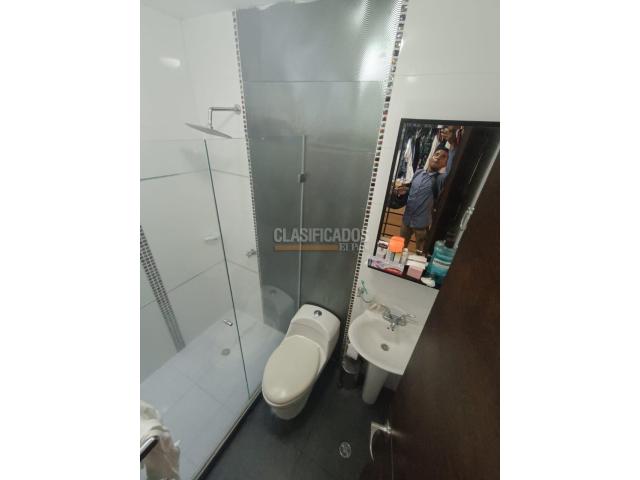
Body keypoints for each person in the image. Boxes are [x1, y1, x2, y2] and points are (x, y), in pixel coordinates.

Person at [399, 147, 449, 254]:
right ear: (431, 157)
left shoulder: (441, 179)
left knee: (420, 254)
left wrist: (453, 144)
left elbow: (452, 169)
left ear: (445, 164)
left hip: (421, 225)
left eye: (443, 157)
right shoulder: (418, 172)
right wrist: (404, 190)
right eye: (436, 154)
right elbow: (412, 189)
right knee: (399, 249)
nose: (438, 158)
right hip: (406, 220)